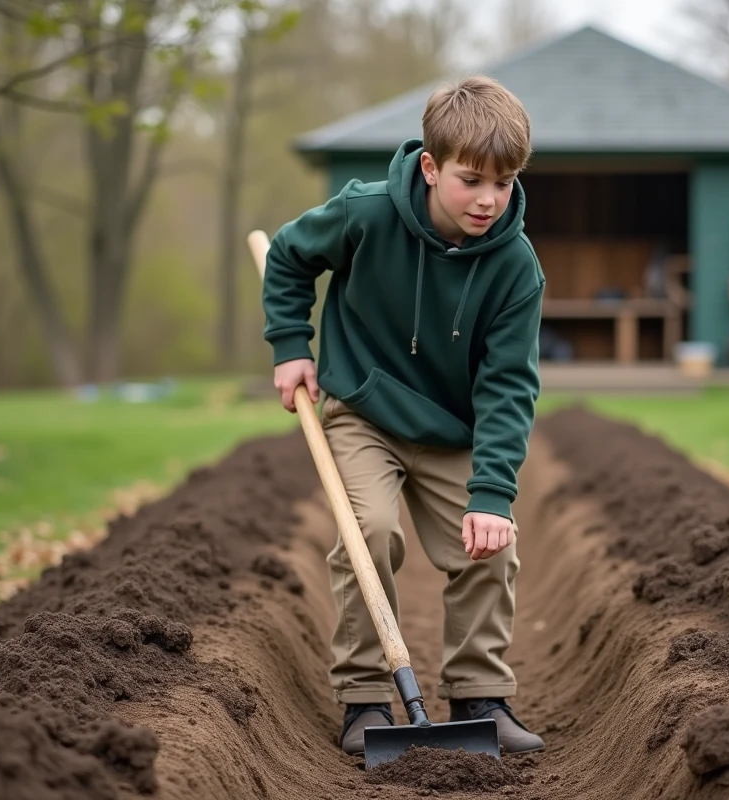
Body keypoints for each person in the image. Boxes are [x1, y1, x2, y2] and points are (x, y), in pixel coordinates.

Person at [260, 74, 546, 757]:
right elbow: (289, 258)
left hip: (453, 428)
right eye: (471, 179)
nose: (487, 200)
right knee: (370, 530)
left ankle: (481, 693)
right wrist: (291, 346)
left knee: (488, 546)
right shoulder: (367, 213)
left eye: (503, 184)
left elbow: (509, 385)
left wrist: (492, 496)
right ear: (429, 165)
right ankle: (365, 701)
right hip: (364, 410)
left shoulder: (515, 267)